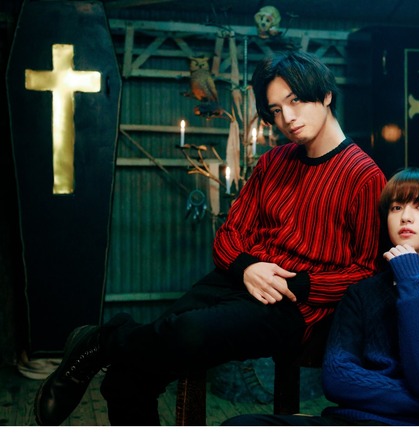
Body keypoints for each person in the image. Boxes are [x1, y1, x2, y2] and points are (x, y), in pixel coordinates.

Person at [34, 50, 386, 425]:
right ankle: (104, 351)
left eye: (295, 100)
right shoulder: (273, 162)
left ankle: (101, 341)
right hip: (235, 279)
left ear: (326, 95)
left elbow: (366, 273)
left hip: (291, 303)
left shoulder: (364, 176)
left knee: (186, 332)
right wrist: (247, 268)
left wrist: (296, 283)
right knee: (126, 379)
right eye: (276, 110)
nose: (287, 118)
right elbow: (229, 233)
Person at [223, 167, 419, 426]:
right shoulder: (362, 293)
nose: (405, 217)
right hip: (347, 423)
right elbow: (337, 380)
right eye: (396, 207)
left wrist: (411, 281)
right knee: (237, 428)